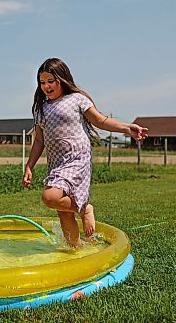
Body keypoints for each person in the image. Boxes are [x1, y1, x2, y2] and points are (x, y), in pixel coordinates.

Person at [22, 58, 148, 247]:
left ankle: (84, 209)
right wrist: (29, 165)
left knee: (50, 198)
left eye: (51, 81)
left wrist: (125, 128)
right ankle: (76, 250)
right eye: (42, 82)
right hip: (57, 161)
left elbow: (101, 121)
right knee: (63, 212)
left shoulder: (77, 100)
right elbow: (39, 140)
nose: (46, 86)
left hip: (77, 158)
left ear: (62, 79)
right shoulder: (42, 108)